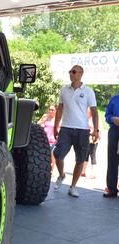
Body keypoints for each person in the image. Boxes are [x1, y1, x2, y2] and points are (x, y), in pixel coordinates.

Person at [53, 65, 99, 197]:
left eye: (74, 72)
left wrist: (96, 130)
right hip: (66, 128)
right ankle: (61, 175)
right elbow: (60, 109)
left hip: (83, 130)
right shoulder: (64, 90)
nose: (71, 74)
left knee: (80, 159)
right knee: (58, 154)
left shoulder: (89, 91)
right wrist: (56, 126)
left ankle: (73, 187)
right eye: (70, 72)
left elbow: (94, 112)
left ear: (81, 74)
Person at [104, 94, 119, 197]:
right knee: (112, 159)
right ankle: (112, 189)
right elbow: (107, 115)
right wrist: (112, 119)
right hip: (114, 130)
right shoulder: (114, 99)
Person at [81, 108, 100, 179]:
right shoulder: (86, 119)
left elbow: (99, 129)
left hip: (93, 140)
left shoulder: (95, 120)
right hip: (86, 139)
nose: (88, 113)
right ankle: (83, 171)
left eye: (89, 112)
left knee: (92, 155)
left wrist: (97, 136)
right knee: (85, 154)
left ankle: (93, 173)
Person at [38, 105, 57, 174]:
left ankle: (51, 171)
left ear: (56, 111)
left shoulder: (57, 119)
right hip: (44, 140)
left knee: (52, 157)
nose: (50, 111)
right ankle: (43, 169)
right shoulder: (45, 116)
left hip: (53, 141)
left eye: (52, 110)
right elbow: (38, 124)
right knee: (43, 155)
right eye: (50, 109)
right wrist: (42, 122)